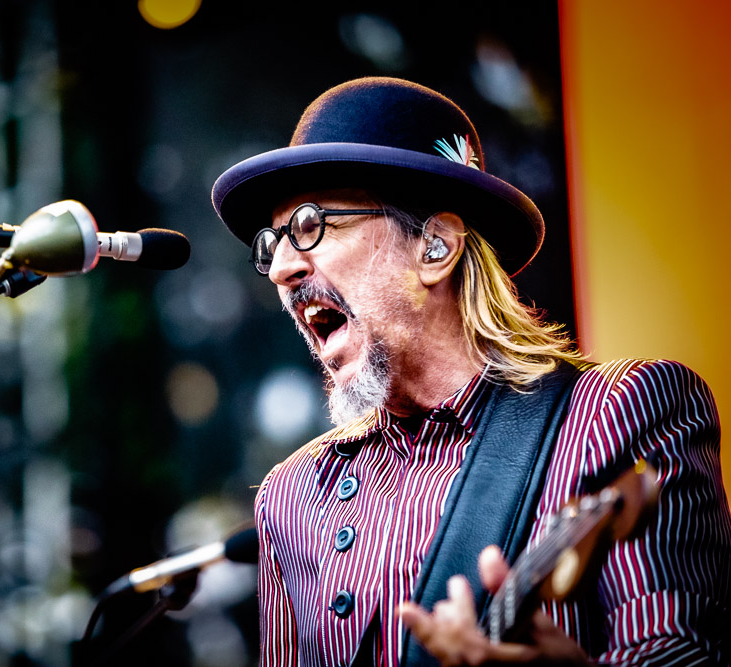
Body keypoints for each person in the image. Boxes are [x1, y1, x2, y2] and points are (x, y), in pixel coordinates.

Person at [210, 77, 731, 666]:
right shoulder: (292, 497)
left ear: (435, 247)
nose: (280, 266)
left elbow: (680, 651)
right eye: (272, 242)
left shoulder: (620, 410)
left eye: (309, 226)